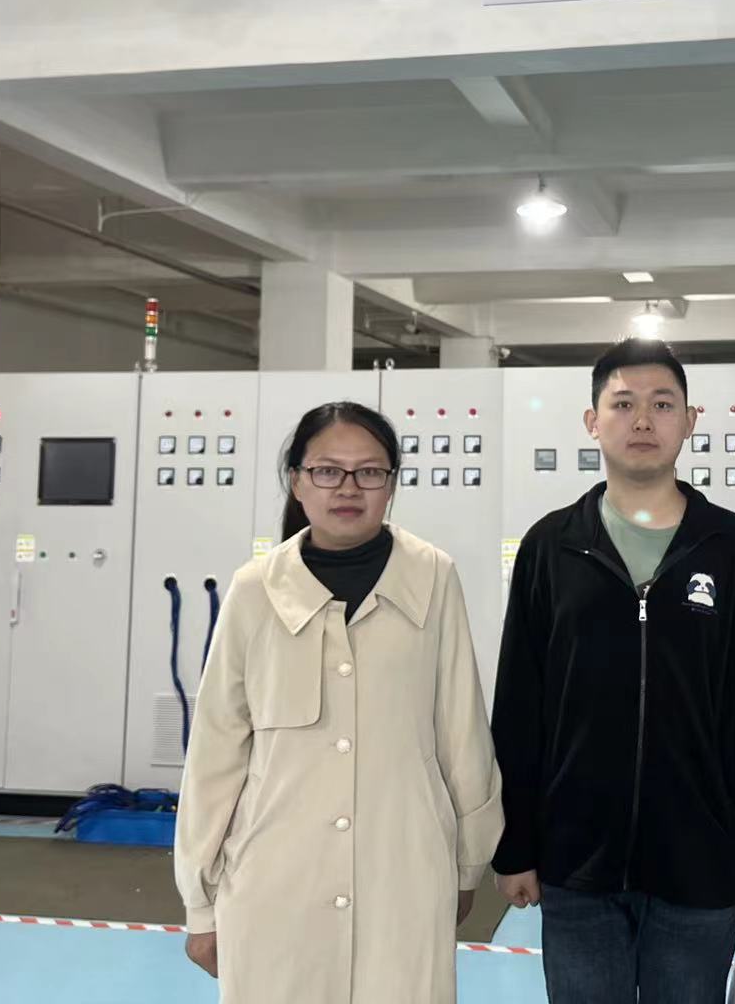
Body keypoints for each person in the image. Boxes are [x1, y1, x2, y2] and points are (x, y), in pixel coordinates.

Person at [492, 340, 735, 1003]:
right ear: (592, 421)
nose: (642, 420)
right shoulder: (551, 548)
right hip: (576, 866)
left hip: (700, 865)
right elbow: (520, 708)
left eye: (662, 405)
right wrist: (514, 845)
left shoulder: (734, 549)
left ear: (689, 421)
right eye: (623, 404)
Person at [174, 401, 503, 1004]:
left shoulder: (432, 577)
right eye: (327, 470)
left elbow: (461, 729)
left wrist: (468, 862)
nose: (348, 488)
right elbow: (215, 752)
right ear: (297, 481)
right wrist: (200, 900)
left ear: (391, 484)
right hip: (274, 879)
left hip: (403, 870)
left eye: (369, 472)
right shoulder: (254, 591)